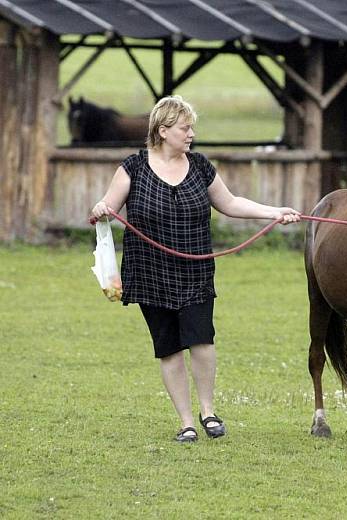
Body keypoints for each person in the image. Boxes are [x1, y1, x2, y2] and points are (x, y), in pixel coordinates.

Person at [90, 96, 301, 443]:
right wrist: (100, 208)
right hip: (149, 272)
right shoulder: (133, 167)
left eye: (191, 127)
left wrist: (275, 212)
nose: (191, 133)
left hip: (195, 270)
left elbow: (231, 203)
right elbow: (107, 207)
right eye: (185, 127)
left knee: (202, 339)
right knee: (168, 346)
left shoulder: (201, 166)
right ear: (163, 131)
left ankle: (208, 411)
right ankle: (186, 422)